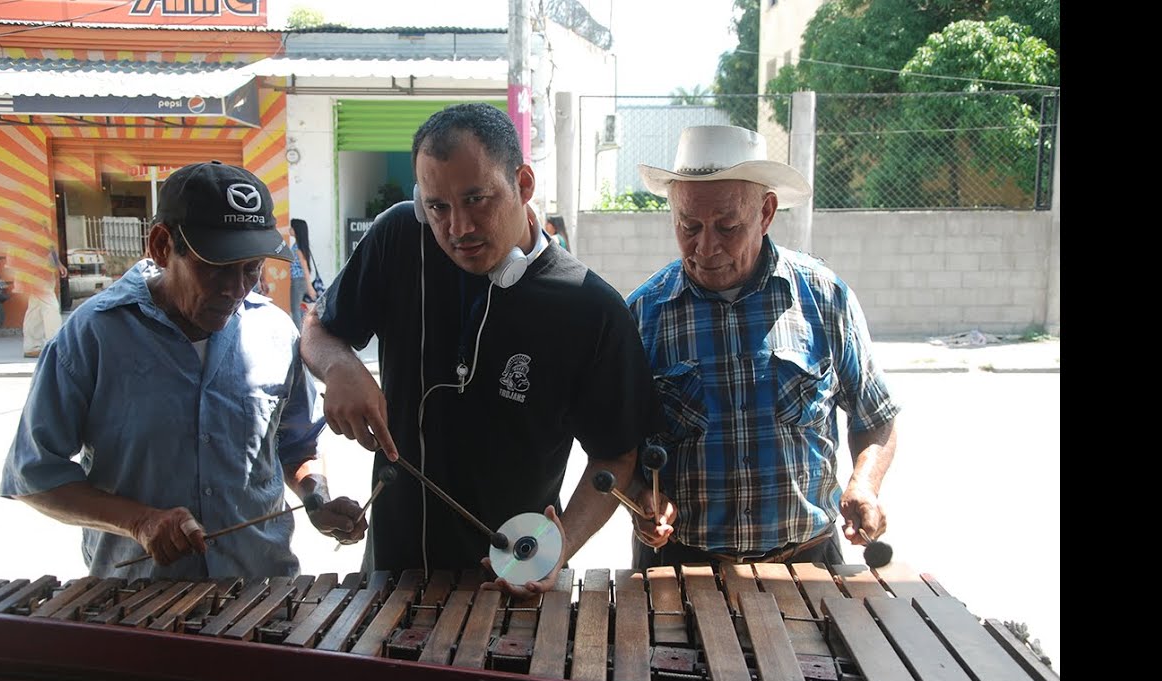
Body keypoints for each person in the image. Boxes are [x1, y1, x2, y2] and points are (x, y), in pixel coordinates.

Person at [301, 103, 659, 597]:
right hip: (391, 577)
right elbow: (318, 328)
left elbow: (615, 456)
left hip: (512, 585)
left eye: (476, 199)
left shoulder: (591, 308)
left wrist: (559, 549)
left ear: (524, 184)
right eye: (437, 207)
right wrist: (340, 366)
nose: (458, 228)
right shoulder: (398, 238)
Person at [0, 160, 367, 580]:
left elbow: (297, 446)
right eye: (216, 267)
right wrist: (139, 522)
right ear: (161, 246)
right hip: (140, 598)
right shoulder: (92, 336)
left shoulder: (275, 331)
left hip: (261, 588)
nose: (236, 289)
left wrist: (317, 500)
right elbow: (34, 474)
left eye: (251, 269)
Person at [626, 125, 901, 570]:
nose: (705, 246)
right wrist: (640, 495)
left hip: (808, 561)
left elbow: (876, 417)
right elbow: (616, 445)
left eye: (728, 226)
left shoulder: (824, 298)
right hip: (681, 565)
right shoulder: (642, 314)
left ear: (766, 212)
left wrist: (864, 484)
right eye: (689, 226)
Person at [21, 245, 68, 358]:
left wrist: (58, 264)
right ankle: (55, 346)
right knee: (50, 307)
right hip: (36, 269)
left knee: (35, 309)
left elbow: (49, 245)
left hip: (40, 269)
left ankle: (32, 347)